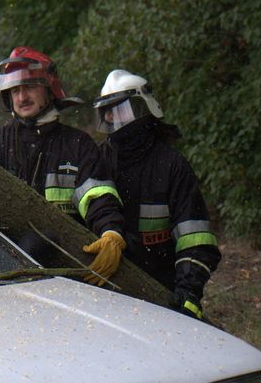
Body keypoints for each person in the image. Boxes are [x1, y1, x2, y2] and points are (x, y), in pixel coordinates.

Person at [0, 46, 126, 285]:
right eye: (15, 90)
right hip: (2, 270)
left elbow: (98, 195)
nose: (21, 97)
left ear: (49, 90)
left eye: (29, 87)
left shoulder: (77, 144)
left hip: (65, 271)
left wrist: (111, 232)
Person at [93, 69, 221, 319]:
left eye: (119, 109)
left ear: (143, 109)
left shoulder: (171, 165)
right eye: (107, 111)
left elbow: (195, 239)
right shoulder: (99, 160)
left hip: (163, 288)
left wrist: (188, 293)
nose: (111, 117)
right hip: (106, 290)